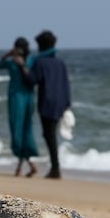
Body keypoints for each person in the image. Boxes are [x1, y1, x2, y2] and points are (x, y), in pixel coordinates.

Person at [27, 30, 71, 179]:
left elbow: (32, 80)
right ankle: (55, 167)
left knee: (49, 136)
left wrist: (23, 67)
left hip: (47, 103)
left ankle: (55, 168)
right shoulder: (60, 63)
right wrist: (67, 103)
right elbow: (66, 84)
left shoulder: (39, 62)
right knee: (51, 135)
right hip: (60, 102)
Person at [0, 37, 38, 176]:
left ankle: (27, 164)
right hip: (20, 97)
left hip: (22, 97)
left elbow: (33, 78)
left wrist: (22, 64)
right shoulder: (12, 61)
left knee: (23, 130)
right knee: (18, 130)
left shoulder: (30, 61)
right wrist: (8, 54)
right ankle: (23, 165)